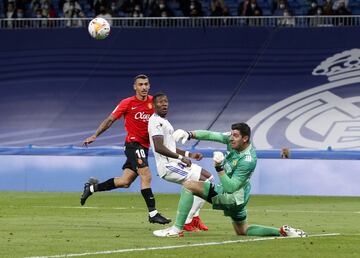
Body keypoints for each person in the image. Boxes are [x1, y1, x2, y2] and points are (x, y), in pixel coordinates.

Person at [153, 123, 307, 237]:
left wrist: (219, 167)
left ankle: (177, 229)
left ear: (245, 139)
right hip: (241, 197)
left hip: (232, 196)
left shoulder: (248, 160)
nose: (231, 138)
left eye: (235, 136)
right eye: (231, 134)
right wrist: (190, 134)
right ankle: (282, 232)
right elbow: (212, 135)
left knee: (189, 185)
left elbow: (231, 187)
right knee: (242, 230)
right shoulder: (233, 141)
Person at [81, 74, 171, 225]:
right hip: (133, 144)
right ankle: (153, 213)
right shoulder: (127, 103)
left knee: (125, 182)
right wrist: (95, 135)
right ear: (135, 87)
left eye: (146, 84)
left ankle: (91, 188)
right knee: (146, 175)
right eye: (140, 84)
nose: (144, 87)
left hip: (144, 147)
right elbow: (110, 119)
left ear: (149, 86)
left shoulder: (153, 102)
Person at [148, 93, 213, 232]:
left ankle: (193, 218)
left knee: (209, 179)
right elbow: (159, 147)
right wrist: (180, 158)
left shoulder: (165, 122)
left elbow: (170, 146)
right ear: (153, 105)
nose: (164, 104)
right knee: (203, 185)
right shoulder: (155, 122)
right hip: (168, 167)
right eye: (160, 102)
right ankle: (188, 220)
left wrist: (190, 154)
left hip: (176, 163)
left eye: (166, 101)